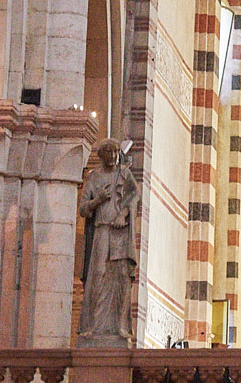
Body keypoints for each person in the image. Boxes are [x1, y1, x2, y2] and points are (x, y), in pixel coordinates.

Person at [78, 139, 138, 344]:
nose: (113, 156)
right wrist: (98, 200)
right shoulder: (93, 177)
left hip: (120, 235)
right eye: (109, 152)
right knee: (98, 275)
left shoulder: (124, 175)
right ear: (101, 155)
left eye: (115, 152)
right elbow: (83, 209)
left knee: (121, 276)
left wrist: (123, 214)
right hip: (102, 230)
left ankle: (120, 326)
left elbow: (133, 196)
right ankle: (91, 327)